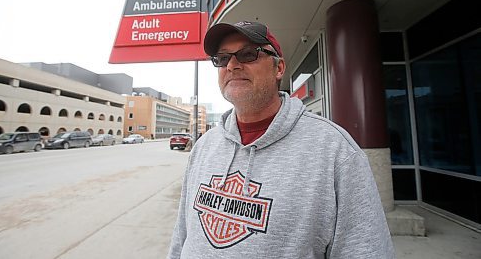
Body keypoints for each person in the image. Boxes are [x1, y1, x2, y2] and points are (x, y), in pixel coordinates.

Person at [167, 21, 395, 258]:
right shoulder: (205, 146)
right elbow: (182, 233)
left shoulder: (334, 151)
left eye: (248, 54)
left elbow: (366, 250)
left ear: (279, 68)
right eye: (222, 59)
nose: (232, 65)